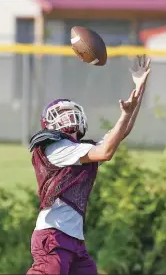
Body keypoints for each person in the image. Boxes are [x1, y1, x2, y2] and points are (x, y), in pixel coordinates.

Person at [27, 55, 150, 275]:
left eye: (70, 111)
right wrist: (125, 113)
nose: (68, 116)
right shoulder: (55, 147)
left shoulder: (81, 149)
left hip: (74, 241)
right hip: (53, 236)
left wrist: (139, 88)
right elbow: (106, 152)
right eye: (62, 113)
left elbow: (121, 132)